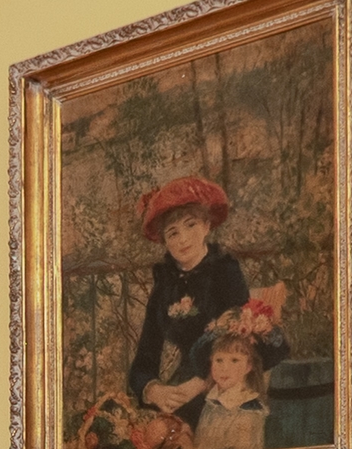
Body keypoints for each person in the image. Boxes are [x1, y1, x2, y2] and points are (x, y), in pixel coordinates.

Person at [122, 176, 285, 426]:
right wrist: (154, 390)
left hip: (221, 384)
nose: (183, 239)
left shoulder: (225, 272)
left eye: (190, 225)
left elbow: (238, 346)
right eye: (173, 233)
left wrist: (197, 385)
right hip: (177, 389)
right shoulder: (165, 283)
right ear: (164, 241)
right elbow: (146, 353)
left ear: (207, 225)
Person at [189, 330, 269, 449]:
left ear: (248, 366)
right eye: (219, 360)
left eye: (234, 360)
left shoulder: (247, 410)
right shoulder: (213, 401)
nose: (224, 368)